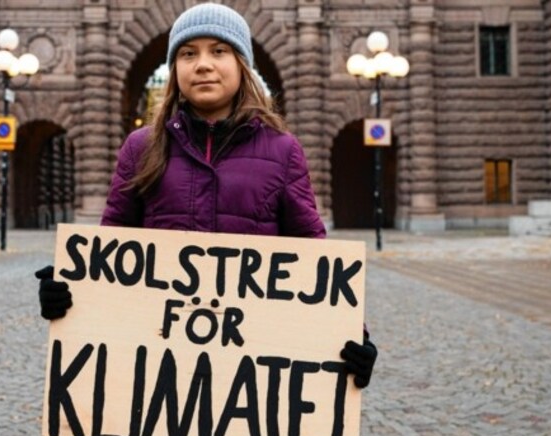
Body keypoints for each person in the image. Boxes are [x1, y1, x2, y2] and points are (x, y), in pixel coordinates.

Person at [35, 2, 376, 388]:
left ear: (242, 64)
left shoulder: (282, 150)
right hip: (159, 357)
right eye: (187, 53)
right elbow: (112, 242)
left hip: (249, 363)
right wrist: (69, 290)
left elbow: (313, 251)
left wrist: (353, 334)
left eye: (219, 50)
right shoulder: (140, 148)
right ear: (174, 69)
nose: (202, 64)